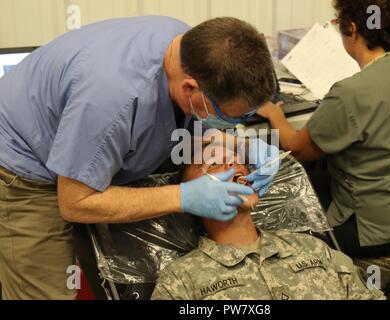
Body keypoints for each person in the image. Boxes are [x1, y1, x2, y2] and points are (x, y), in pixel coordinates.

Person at [0, 16, 280, 300]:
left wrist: (240, 144)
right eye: (226, 116)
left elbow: (180, 125)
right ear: (189, 88)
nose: (227, 163)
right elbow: (75, 202)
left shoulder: (193, 47)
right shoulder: (112, 99)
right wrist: (182, 197)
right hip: (22, 163)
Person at [257, 0, 390, 258]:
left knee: (273, 211)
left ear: (352, 29)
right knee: (319, 172)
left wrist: (275, 115)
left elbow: (297, 150)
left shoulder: (349, 94)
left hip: (376, 231)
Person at [151, 158, 385, 300]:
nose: (232, 165)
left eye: (236, 160)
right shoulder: (182, 277)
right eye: (213, 164)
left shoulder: (312, 248)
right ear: (193, 198)